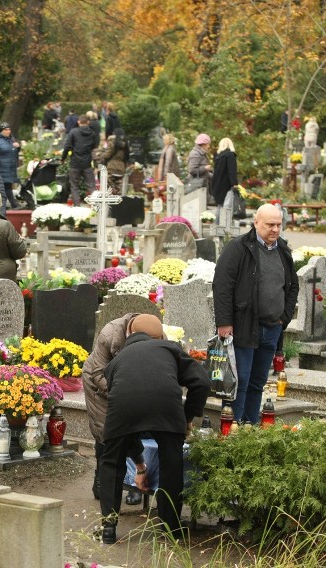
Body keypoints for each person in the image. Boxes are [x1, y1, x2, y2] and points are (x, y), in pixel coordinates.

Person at [100, 314, 210, 544]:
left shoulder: (116, 361)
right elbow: (201, 381)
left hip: (123, 409)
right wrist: (187, 416)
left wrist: (135, 454)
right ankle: (171, 527)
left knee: (111, 462)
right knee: (172, 463)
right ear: (160, 335)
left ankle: (108, 528)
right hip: (166, 408)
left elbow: (116, 396)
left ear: (129, 335)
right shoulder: (170, 348)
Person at [213, 204, 298, 423]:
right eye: (270, 225)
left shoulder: (283, 249)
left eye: (279, 224)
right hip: (244, 325)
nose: (275, 229)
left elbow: (292, 286)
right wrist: (224, 322)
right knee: (239, 381)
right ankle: (231, 430)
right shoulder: (239, 248)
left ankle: (249, 427)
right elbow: (222, 286)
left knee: (258, 382)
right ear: (256, 222)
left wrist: (283, 318)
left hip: (271, 328)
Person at [82, 312, 144, 502]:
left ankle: (133, 484)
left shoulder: (156, 334)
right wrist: (120, 397)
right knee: (105, 429)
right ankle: (101, 476)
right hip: (98, 382)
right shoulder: (110, 334)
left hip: (131, 384)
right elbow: (98, 373)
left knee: (134, 430)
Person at [62, 115, 99, 204]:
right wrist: (96, 164)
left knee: (74, 186)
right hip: (87, 163)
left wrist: (63, 158)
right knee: (91, 186)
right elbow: (94, 149)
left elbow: (67, 146)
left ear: (79, 122)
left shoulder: (73, 132)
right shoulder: (93, 134)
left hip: (75, 163)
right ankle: (96, 206)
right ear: (88, 122)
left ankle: (77, 206)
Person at [0, 122, 21, 209]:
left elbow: (13, 151)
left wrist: (18, 148)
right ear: (0, 131)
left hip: (10, 168)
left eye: (9, 129)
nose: (8, 131)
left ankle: (9, 205)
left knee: (7, 186)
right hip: (1, 168)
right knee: (4, 187)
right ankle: (11, 205)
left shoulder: (11, 139)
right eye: (5, 130)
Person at [210, 138, 238, 225]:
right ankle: (224, 229)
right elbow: (231, 171)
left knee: (220, 206)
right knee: (226, 207)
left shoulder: (217, 157)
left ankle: (216, 227)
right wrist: (234, 184)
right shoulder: (230, 156)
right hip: (227, 185)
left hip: (217, 186)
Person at [97, 127, 129, 193]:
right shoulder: (126, 144)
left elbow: (108, 154)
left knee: (109, 190)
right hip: (121, 169)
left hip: (111, 168)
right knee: (118, 190)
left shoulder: (112, 142)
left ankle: (110, 203)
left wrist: (100, 155)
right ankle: (118, 203)